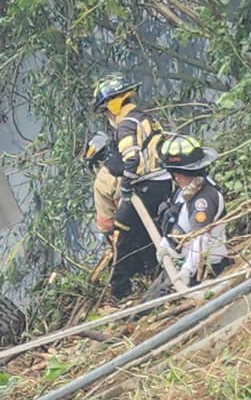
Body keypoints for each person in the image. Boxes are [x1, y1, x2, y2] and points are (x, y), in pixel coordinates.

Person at [92, 74, 171, 300]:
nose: (107, 116)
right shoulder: (145, 118)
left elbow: (132, 157)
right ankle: (156, 273)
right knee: (150, 230)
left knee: (123, 236)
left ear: (112, 106)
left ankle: (120, 293)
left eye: (105, 111)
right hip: (164, 182)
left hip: (147, 186)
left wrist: (126, 186)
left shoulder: (125, 125)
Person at [155, 134, 229, 291]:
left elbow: (200, 239)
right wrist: (165, 246)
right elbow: (175, 221)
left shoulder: (204, 199)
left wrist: (187, 272)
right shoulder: (184, 192)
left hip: (204, 269)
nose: (174, 178)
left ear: (178, 174)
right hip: (181, 261)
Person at [84, 129, 121, 234]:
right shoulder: (133, 159)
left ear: (97, 162)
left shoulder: (102, 179)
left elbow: (105, 223)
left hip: (133, 229)